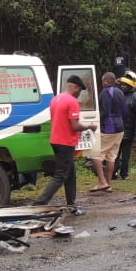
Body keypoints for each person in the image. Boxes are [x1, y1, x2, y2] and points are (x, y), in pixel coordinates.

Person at [30, 74, 95, 212]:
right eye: (79, 90)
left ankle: (72, 205)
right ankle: (39, 203)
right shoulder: (72, 102)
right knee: (60, 175)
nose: (78, 94)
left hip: (56, 140)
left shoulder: (56, 99)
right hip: (66, 142)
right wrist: (89, 126)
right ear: (75, 87)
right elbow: (75, 126)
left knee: (70, 173)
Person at [89, 71, 126, 192]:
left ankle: (102, 182)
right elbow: (125, 111)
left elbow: (104, 111)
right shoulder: (120, 92)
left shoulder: (105, 92)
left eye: (102, 81)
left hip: (108, 128)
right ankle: (108, 184)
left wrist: (95, 121)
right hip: (120, 128)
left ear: (105, 81)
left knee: (95, 155)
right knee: (111, 157)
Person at [113, 70, 136, 180]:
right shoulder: (135, 97)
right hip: (122, 130)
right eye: (123, 84)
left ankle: (120, 173)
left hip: (124, 130)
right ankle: (119, 173)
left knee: (121, 154)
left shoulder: (133, 97)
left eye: (125, 85)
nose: (123, 86)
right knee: (119, 153)